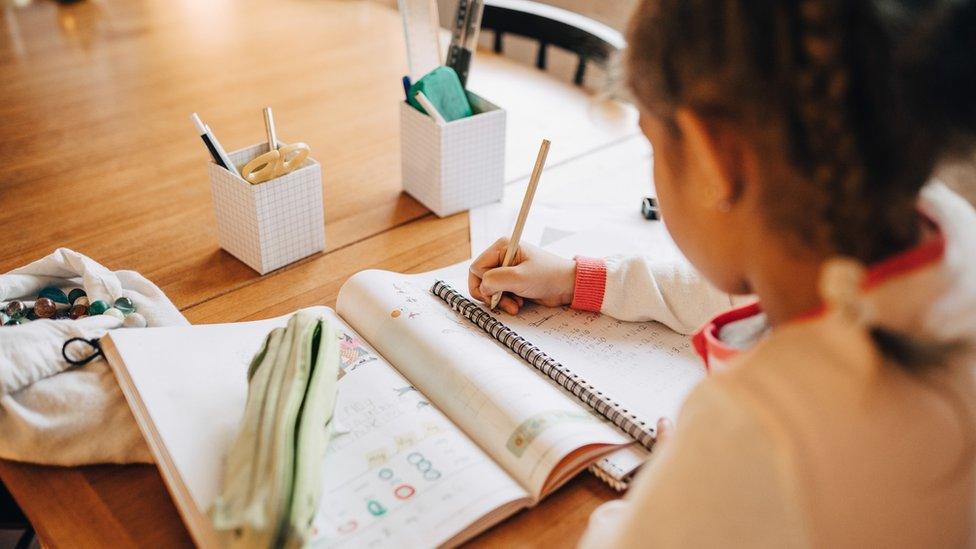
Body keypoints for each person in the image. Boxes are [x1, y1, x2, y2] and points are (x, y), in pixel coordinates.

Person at [469, 0, 976, 545]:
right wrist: (579, 278)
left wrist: (675, 482)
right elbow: (742, 300)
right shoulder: (946, 227)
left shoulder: (751, 431)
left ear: (715, 157)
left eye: (652, 145)